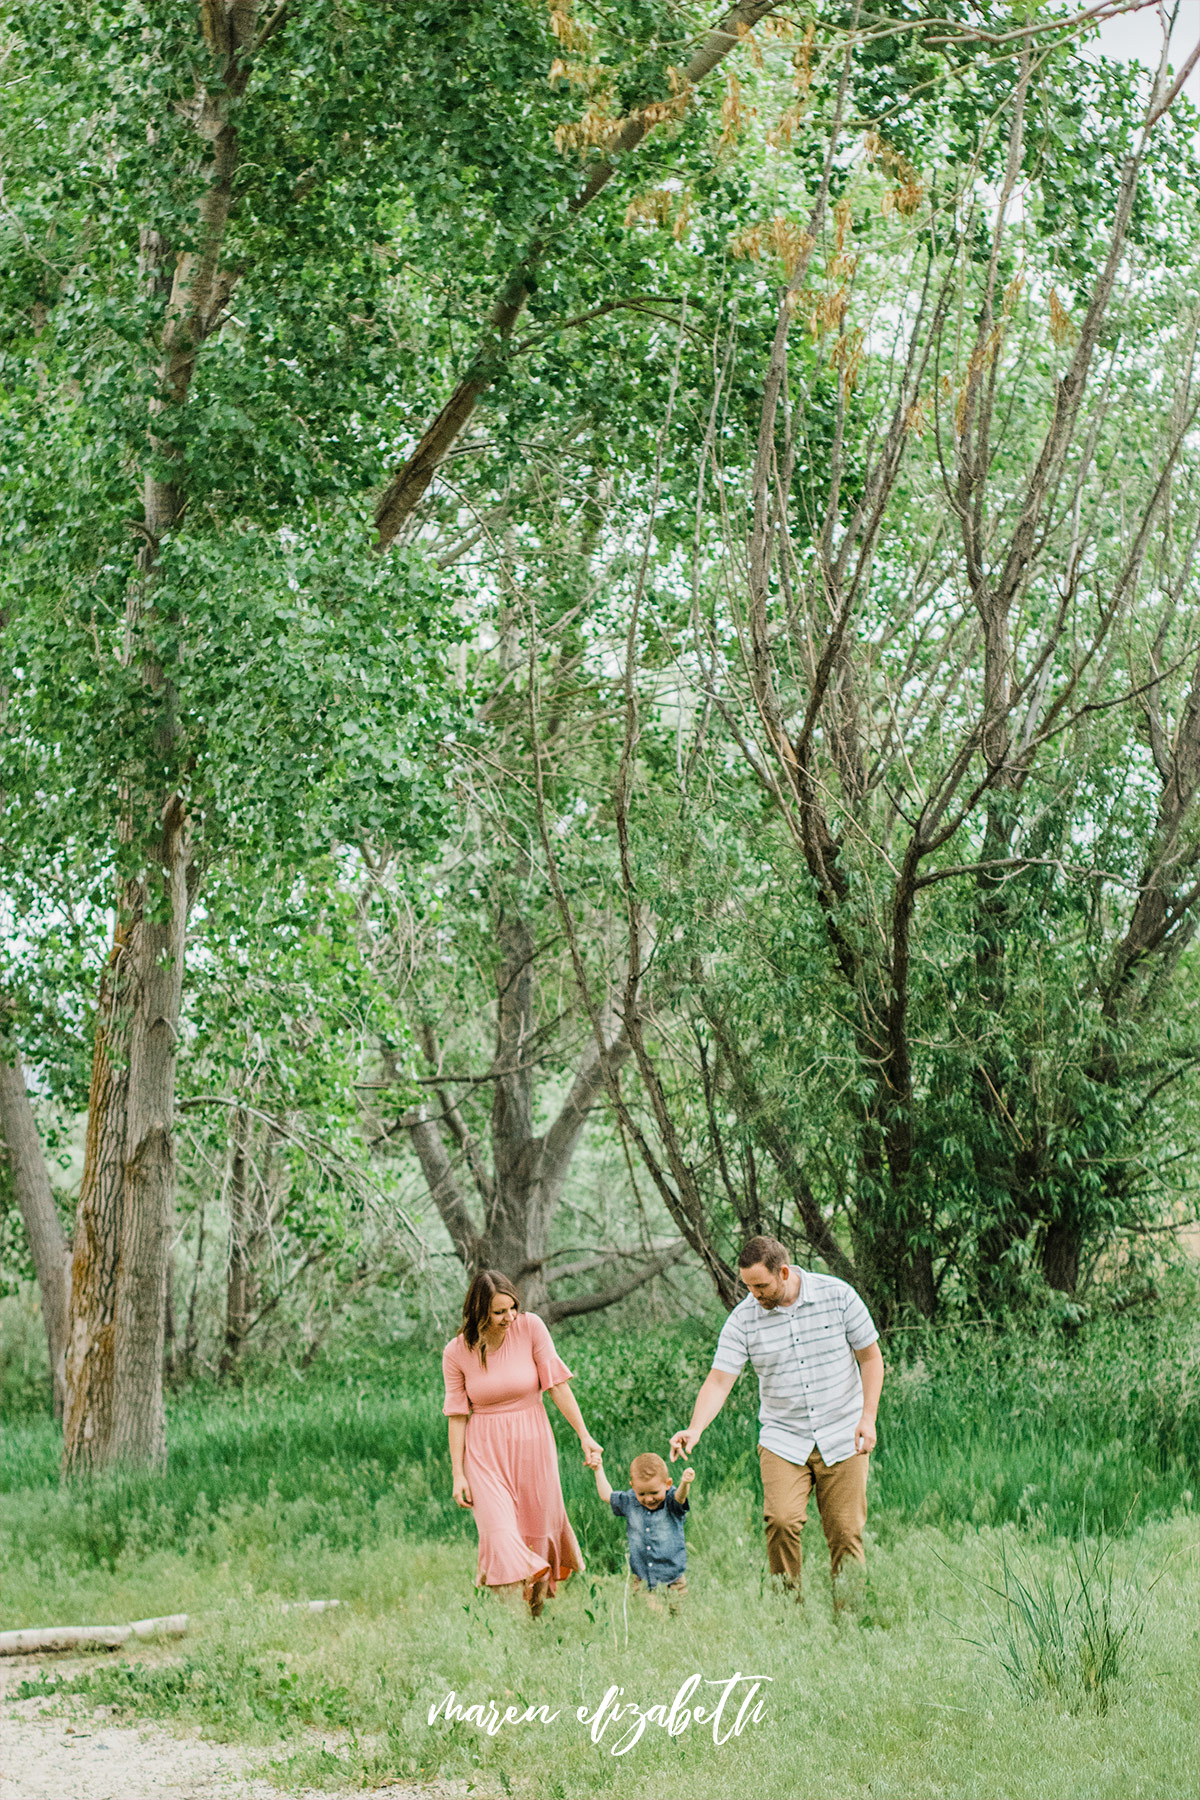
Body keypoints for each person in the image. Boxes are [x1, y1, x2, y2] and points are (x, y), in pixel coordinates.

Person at [669, 1235, 884, 1604]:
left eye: (761, 1285)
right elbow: (719, 1381)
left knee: (846, 1533)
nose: (754, 1294)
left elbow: (871, 1358)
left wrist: (868, 1417)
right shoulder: (743, 1320)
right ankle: (789, 1612)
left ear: (783, 1272)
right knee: (781, 1521)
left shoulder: (839, 1296)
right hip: (784, 1438)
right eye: (748, 1286)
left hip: (843, 1432)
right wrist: (695, 1427)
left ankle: (851, 1616)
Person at [442, 1269, 603, 1617]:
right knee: (500, 1539)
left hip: (534, 1445)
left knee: (536, 1536)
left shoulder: (531, 1328)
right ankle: (509, 1632)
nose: (509, 1317)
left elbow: (557, 1386)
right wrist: (458, 1474)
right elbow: (457, 1415)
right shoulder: (456, 1352)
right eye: (499, 1312)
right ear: (479, 1311)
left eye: (512, 1307)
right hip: (484, 1452)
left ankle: (532, 1624)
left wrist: (584, 1435)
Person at [592, 1450, 695, 1606]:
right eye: (642, 1493)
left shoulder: (671, 1501)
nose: (648, 1498)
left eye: (654, 1492)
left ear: (667, 1484)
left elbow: (680, 1498)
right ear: (633, 1487)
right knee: (652, 1616)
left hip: (674, 1578)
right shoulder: (630, 1501)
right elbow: (607, 1495)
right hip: (642, 1578)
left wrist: (685, 1483)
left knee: (680, 1617)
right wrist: (598, 1469)